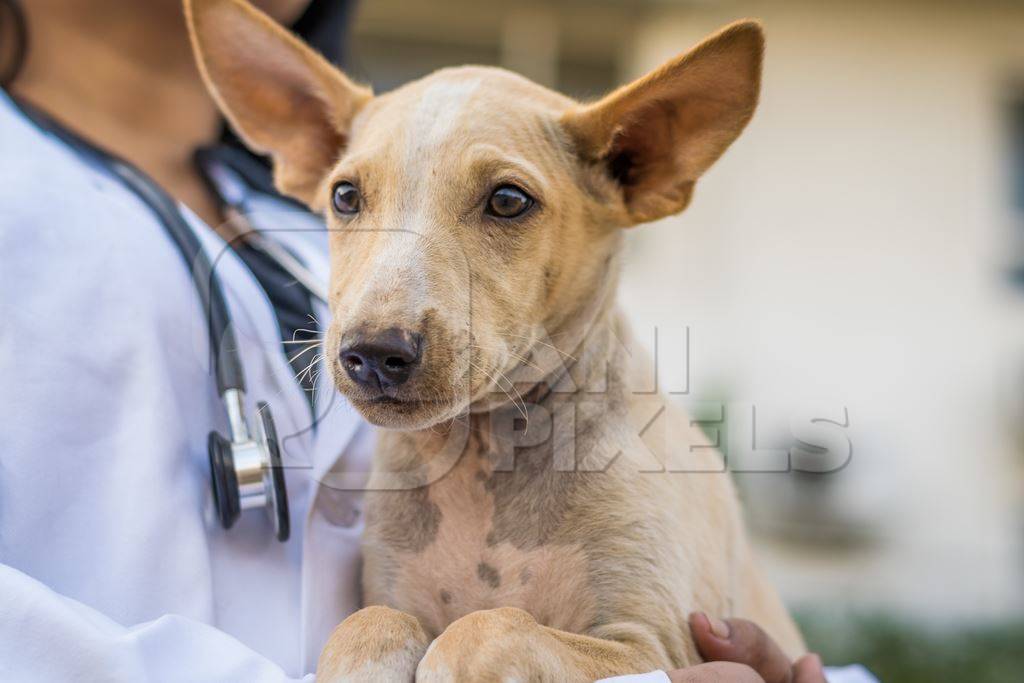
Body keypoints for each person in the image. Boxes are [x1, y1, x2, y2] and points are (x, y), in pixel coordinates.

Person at [0, 1, 875, 681]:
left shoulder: (280, 219)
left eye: (503, 203)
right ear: (306, 142)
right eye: (350, 199)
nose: (378, 329)